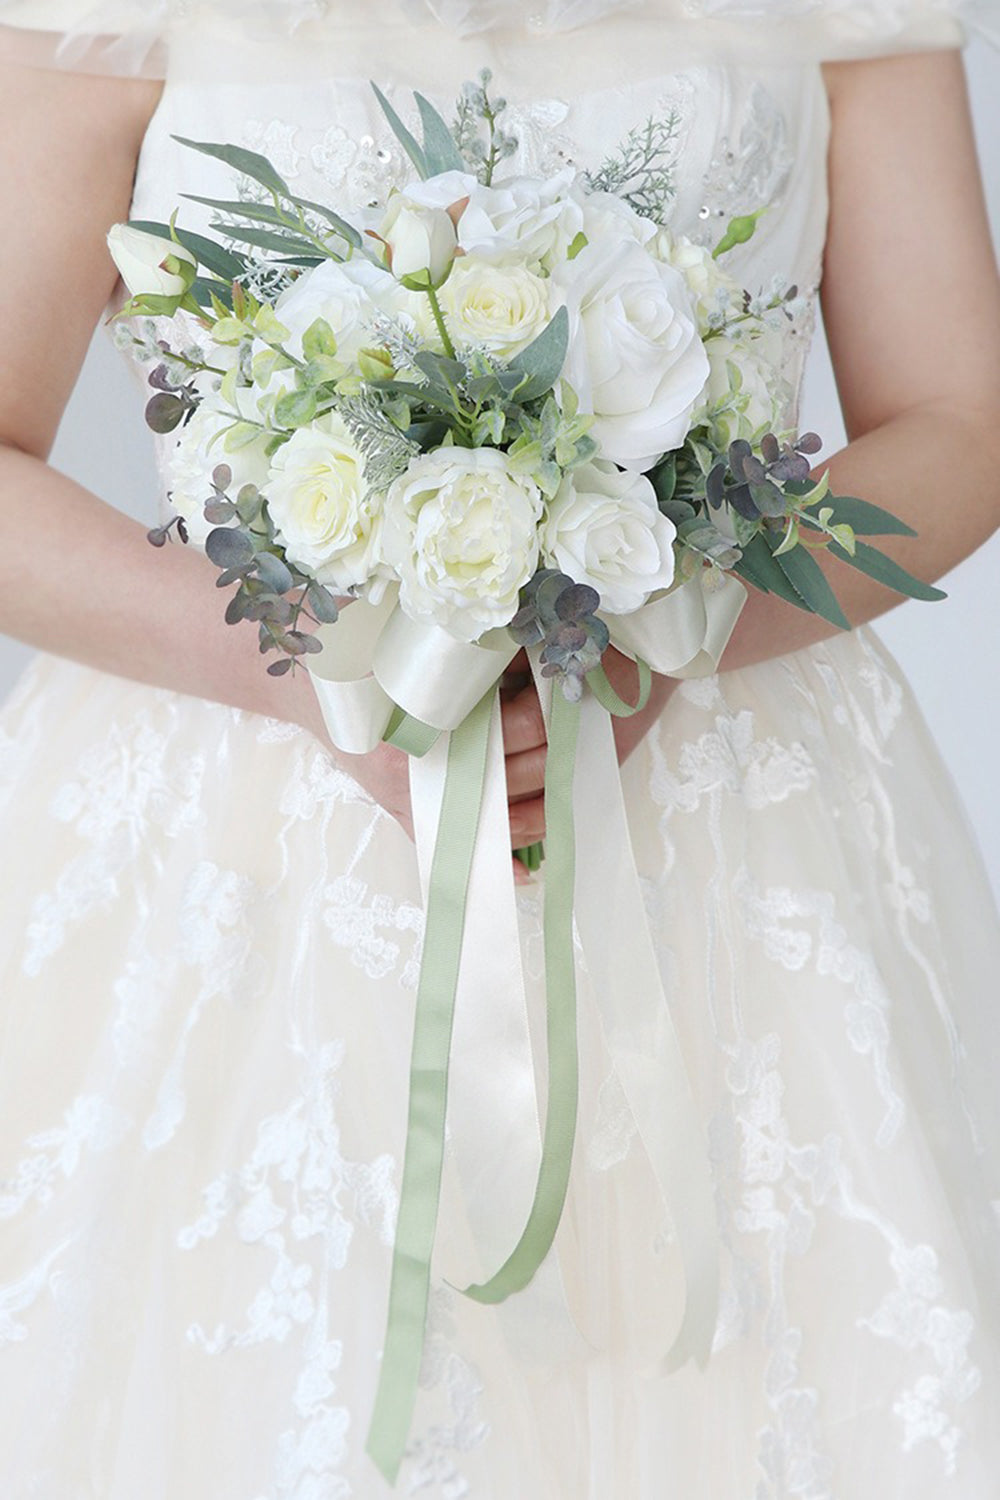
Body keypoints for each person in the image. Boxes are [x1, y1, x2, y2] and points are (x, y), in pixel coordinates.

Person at [0, 0, 998, 1494]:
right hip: (247, 837)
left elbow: (959, 418)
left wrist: (666, 638)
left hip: (722, 830)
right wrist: (317, 680)